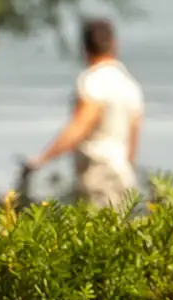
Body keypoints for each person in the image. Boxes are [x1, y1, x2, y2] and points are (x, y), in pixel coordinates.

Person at [26, 18, 145, 206]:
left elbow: (80, 126)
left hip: (99, 172)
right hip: (123, 174)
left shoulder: (92, 82)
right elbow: (133, 137)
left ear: (85, 48)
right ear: (114, 44)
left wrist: (42, 159)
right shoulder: (130, 84)